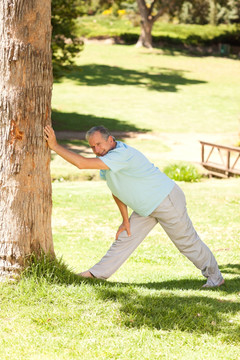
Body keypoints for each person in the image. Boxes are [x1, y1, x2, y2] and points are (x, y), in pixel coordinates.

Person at [44, 125, 224, 288]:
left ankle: (215, 277)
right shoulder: (107, 158)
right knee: (125, 237)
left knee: (186, 242)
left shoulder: (121, 155)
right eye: (93, 147)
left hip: (165, 199)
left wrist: (54, 146)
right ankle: (95, 274)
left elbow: (82, 164)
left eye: (99, 144)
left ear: (110, 139)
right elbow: (117, 189)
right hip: (147, 206)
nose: (97, 150)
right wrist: (125, 220)